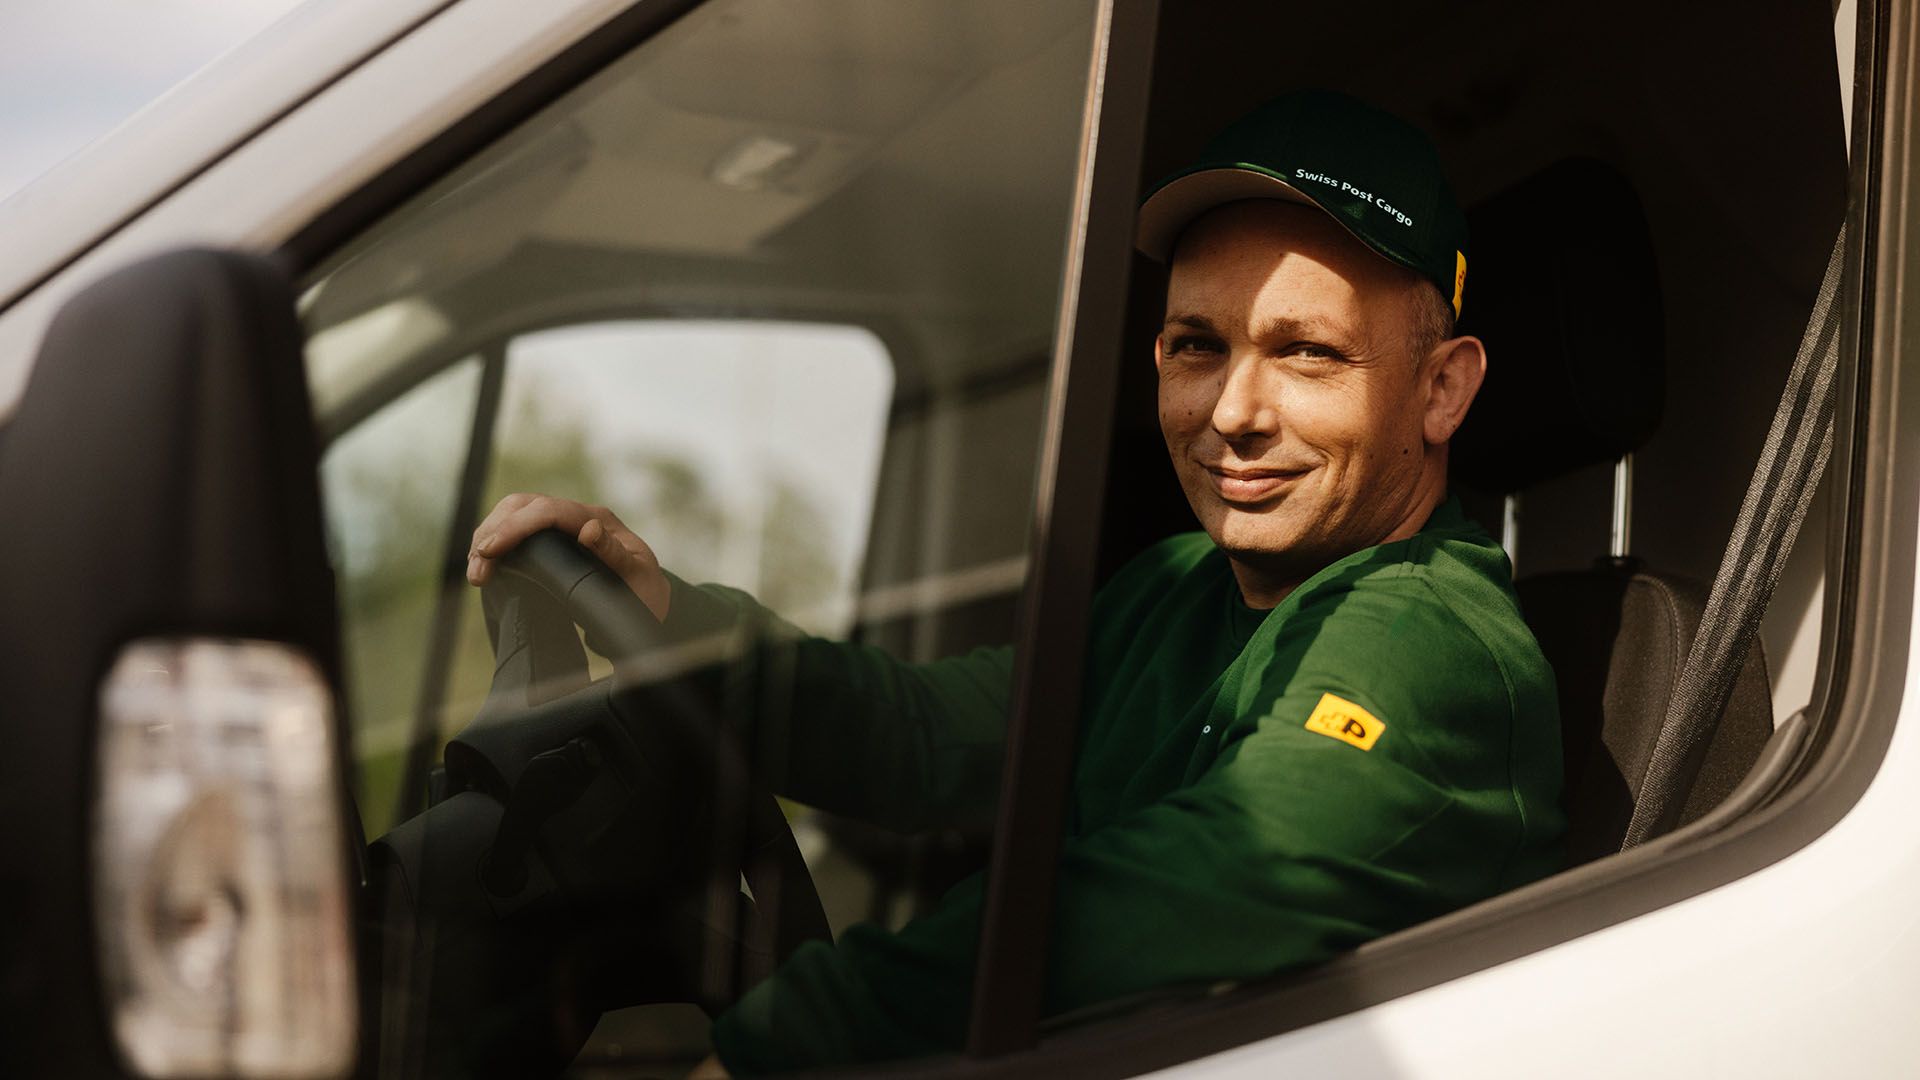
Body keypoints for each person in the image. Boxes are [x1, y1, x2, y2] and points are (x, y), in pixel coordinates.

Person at [466, 89, 1565, 1076]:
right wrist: (671, 620)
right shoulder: (1177, 587)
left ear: (1441, 391)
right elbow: (930, 735)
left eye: (1308, 354)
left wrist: (789, 1044)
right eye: (1196, 346)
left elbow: (1175, 888)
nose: (1233, 411)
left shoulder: (1432, 640)